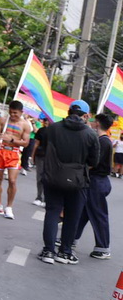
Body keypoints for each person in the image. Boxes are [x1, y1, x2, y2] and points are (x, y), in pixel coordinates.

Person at [38, 100, 99, 265]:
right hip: (78, 181)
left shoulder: (52, 128)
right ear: (85, 115)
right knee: (72, 216)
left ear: (68, 111)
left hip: (53, 178)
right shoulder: (91, 134)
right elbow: (94, 161)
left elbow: (43, 150)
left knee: (52, 212)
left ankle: (48, 251)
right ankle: (65, 252)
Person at [75, 112, 113, 260]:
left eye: (93, 120)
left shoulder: (103, 142)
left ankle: (103, 247)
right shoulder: (102, 140)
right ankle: (71, 238)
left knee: (98, 214)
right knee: (83, 212)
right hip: (95, 181)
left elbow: (93, 163)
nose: (90, 122)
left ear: (97, 123)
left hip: (97, 181)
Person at [0, 101, 32, 219]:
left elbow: (26, 143)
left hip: (14, 154)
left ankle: (9, 207)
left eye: (15, 113)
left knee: (12, 180)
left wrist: (12, 140)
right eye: (11, 112)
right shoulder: (3, 120)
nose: (12, 115)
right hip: (1, 152)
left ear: (21, 112)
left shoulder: (25, 125)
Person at [30, 117, 52, 206]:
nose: (46, 122)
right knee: (40, 177)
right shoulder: (41, 131)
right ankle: (39, 197)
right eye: (45, 121)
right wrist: (32, 156)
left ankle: (45, 198)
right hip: (41, 156)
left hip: (50, 158)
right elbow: (36, 144)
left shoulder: (56, 132)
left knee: (47, 178)